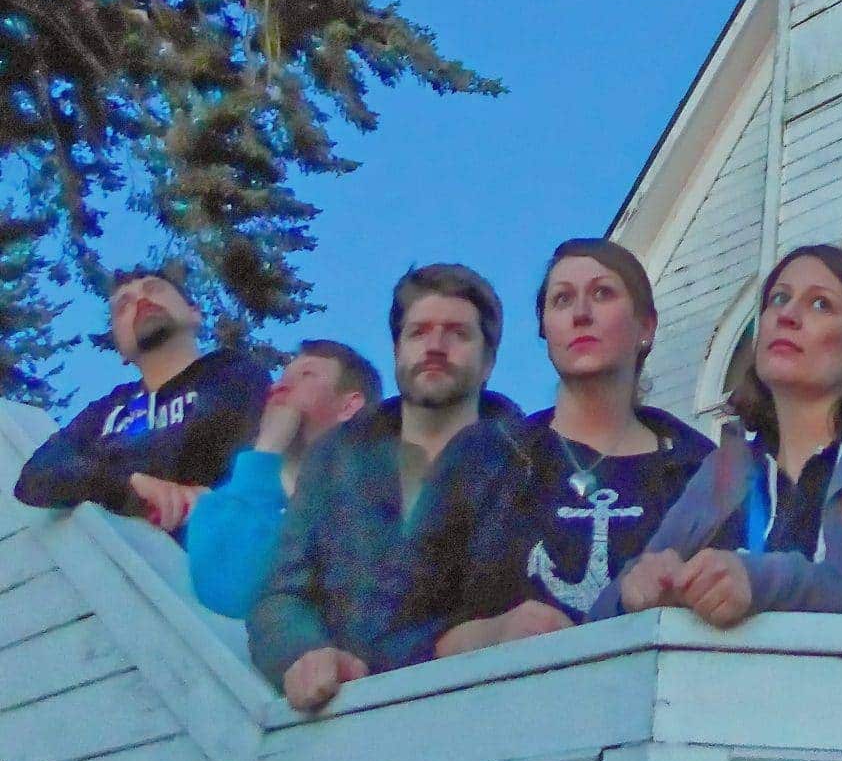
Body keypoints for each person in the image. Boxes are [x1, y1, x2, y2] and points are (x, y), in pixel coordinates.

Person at [596, 244, 842, 625]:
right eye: (778, 300)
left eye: (821, 304)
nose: (787, 315)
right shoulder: (725, 469)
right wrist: (636, 590)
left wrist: (774, 583)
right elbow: (605, 613)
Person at [404, 237, 713, 660]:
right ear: (545, 330)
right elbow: (402, 621)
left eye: (603, 293)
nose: (581, 314)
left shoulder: (700, 472)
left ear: (646, 326)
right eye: (562, 299)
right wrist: (494, 633)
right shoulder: (485, 459)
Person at [247, 263, 523, 713]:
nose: (434, 347)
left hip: (471, 714)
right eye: (418, 332)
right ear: (397, 350)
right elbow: (282, 593)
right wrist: (302, 653)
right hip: (337, 716)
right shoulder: (336, 458)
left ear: (488, 360)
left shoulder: (526, 461)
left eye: (457, 333)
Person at [13, 263, 268, 532]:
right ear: (120, 349)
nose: (141, 300)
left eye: (153, 289)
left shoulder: (233, 373)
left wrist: (102, 470)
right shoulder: (105, 412)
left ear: (195, 313)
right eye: (124, 305)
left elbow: (216, 446)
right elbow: (36, 477)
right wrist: (128, 483)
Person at [185, 339, 383, 619]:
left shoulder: (379, 503)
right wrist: (267, 449)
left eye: (306, 376)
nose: (279, 387)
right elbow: (229, 594)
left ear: (350, 405)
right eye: (282, 377)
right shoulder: (219, 505)